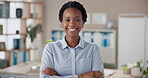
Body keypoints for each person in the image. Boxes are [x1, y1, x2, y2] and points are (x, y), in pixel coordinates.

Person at [40, 1, 104, 78]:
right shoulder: (51, 48)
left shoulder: (93, 49)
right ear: (62, 23)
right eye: (67, 20)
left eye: (77, 20)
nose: (72, 24)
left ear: (83, 23)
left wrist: (58, 76)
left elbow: (98, 77)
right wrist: (81, 76)